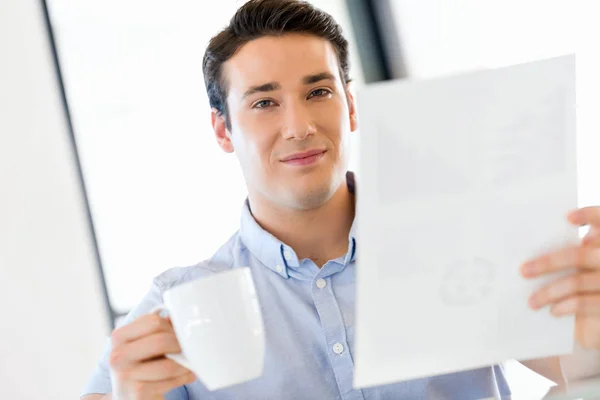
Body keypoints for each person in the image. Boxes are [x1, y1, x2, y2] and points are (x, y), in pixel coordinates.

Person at [81, 0, 600, 399]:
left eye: (318, 92)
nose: (299, 126)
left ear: (350, 106)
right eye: (264, 102)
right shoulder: (177, 307)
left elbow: (580, 368)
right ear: (223, 130)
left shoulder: (457, 238)